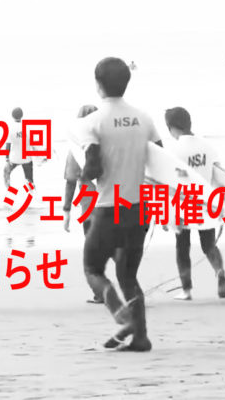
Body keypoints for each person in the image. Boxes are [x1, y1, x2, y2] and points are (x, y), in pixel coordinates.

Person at [71, 57, 161, 351]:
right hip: (139, 208)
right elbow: (161, 166)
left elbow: (93, 168)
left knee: (92, 268)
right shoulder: (145, 119)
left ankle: (120, 313)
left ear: (98, 85)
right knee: (128, 275)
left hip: (109, 208)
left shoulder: (91, 123)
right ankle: (141, 337)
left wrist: (83, 178)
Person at [164, 107, 225, 300]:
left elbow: (169, 184)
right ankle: (219, 271)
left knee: (182, 247)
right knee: (208, 245)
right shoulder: (208, 147)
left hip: (183, 205)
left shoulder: (174, 151)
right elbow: (220, 177)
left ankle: (186, 290)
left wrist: (166, 214)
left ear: (171, 127)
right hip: (207, 202)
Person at [63, 104, 101, 303]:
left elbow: (70, 181)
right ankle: (128, 290)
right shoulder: (112, 144)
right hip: (115, 205)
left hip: (90, 210)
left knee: (93, 255)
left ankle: (100, 293)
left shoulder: (76, 149)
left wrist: (66, 211)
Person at [3, 107, 34, 188]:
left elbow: (8, 145)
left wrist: (7, 159)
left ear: (12, 116)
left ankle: (8, 188)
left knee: (6, 172)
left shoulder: (10, 128)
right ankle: (31, 189)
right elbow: (33, 143)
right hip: (27, 158)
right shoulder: (27, 127)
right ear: (22, 115)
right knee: (29, 179)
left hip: (14, 158)